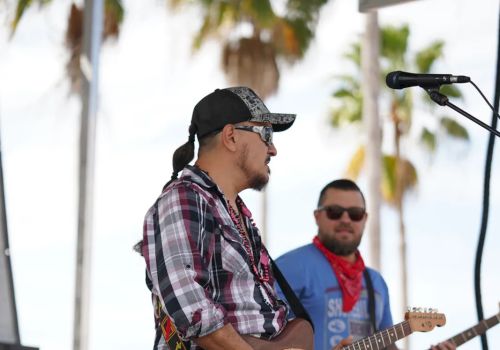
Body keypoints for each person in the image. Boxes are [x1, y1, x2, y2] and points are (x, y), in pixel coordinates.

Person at [138, 87, 348, 350]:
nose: (273, 149)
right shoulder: (183, 200)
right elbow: (190, 308)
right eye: (266, 134)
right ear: (231, 137)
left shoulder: (238, 216)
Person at [275, 179, 455, 350]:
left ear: (365, 219)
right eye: (335, 212)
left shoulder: (375, 282)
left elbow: (387, 346)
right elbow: (259, 331)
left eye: (355, 214)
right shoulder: (290, 267)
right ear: (317, 216)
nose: (346, 219)